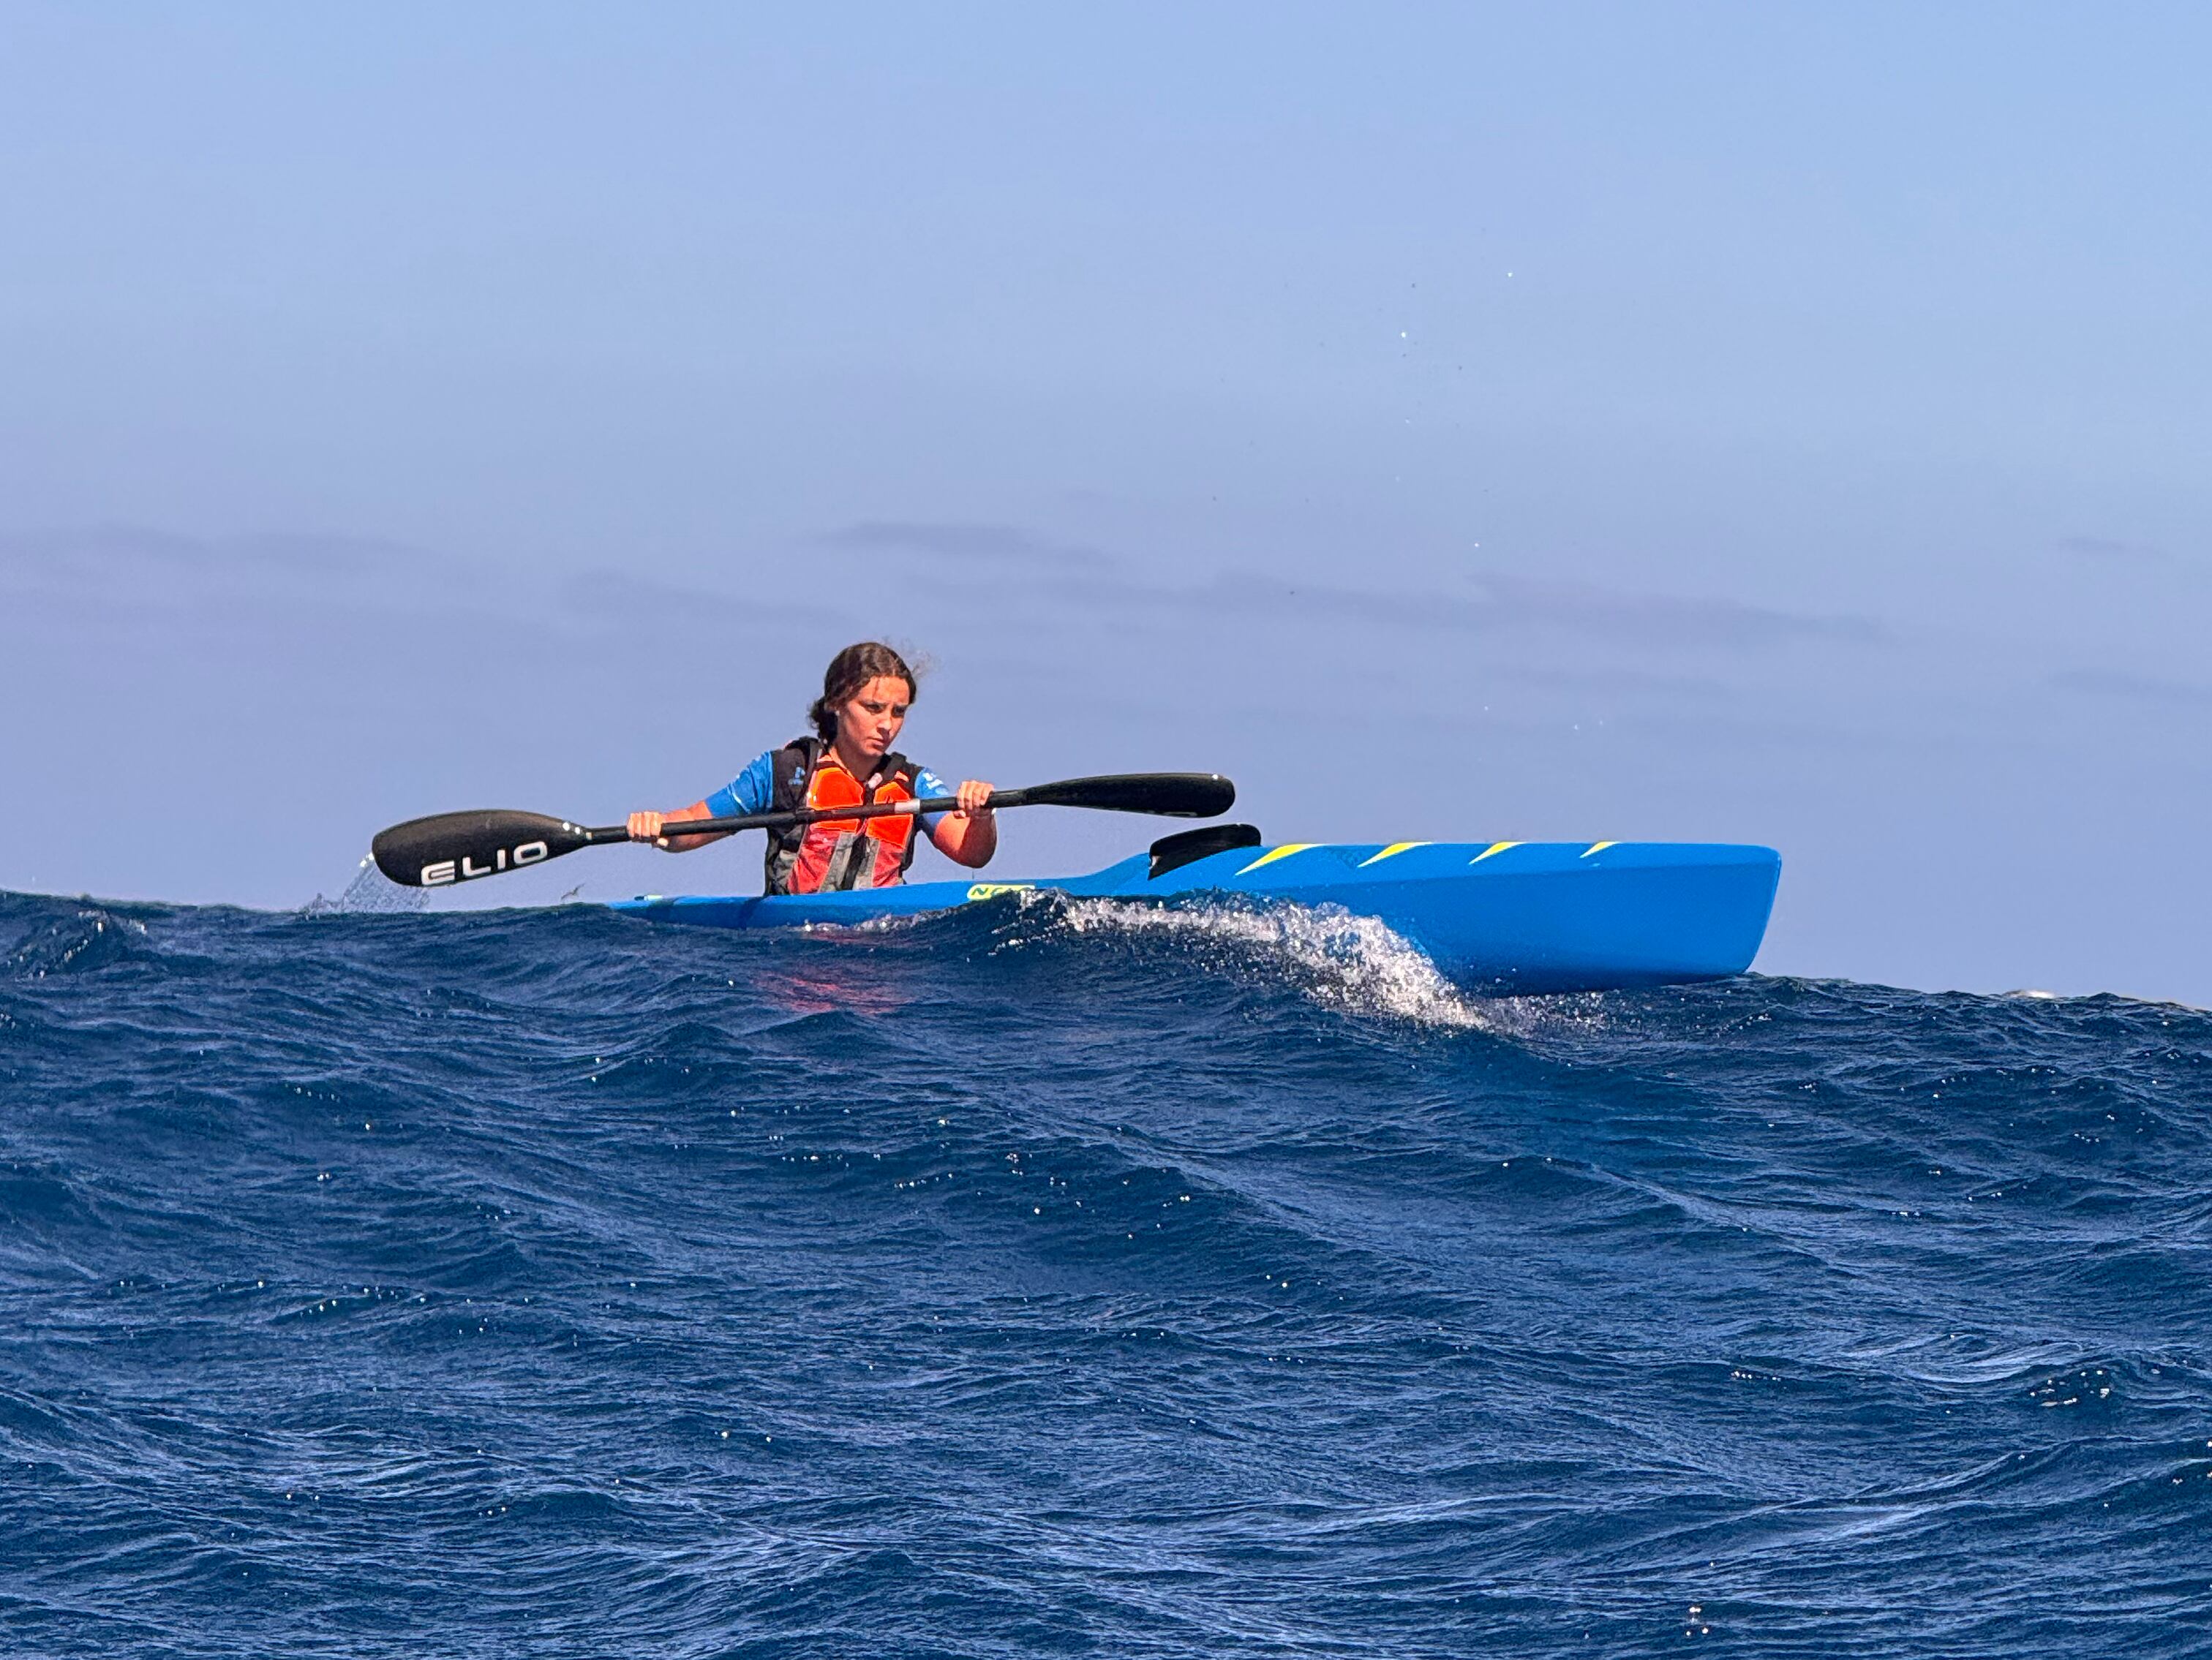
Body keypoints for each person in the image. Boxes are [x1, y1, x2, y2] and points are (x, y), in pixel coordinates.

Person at [626, 642, 996, 894]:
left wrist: (982, 816)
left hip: (882, 951)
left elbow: (972, 854)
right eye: (873, 708)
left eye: (898, 712)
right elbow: (695, 822)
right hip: (796, 948)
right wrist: (659, 829)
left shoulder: (912, 783)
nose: (888, 724)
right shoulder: (786, 772)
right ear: (837, 703)